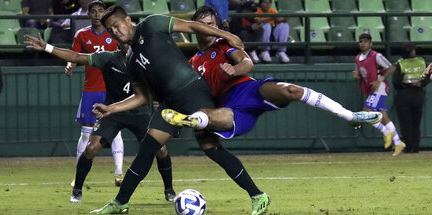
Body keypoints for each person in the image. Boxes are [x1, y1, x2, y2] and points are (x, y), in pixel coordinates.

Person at [89, 5, 270, 215]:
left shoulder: (151, 24)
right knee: (147, 149)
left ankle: (258, 196)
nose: (115, 32)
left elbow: (192, 27)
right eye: (110, 30)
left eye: (116, 25)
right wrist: (111, 108)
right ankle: (120, 204)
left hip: (193, 91)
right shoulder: (130, 60)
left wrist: (227, 35)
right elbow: (141, 96)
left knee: (211, 147)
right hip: (170, 103)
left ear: (128, 20)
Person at [161, 6, 382, 142]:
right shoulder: (192, 62)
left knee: (292, 90)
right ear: (195, 28)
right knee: (214, 116)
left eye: (211, 24)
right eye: (203, 25)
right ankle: (191, 120)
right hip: (229, 106)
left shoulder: (223, 45)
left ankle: (350, 116)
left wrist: (234, 70)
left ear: (216, 26)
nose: (208, 29)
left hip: (248, 89)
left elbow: (247, 63)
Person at [24, 35, 176, 202]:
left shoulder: (146, 61)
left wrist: (159, 99)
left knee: (161, 150)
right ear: (117, 43)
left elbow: (161, 82)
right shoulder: (107, 58)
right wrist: (47, 47)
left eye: (129, 40)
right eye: (122, 40)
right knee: (91, 148)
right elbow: (75, 56)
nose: (126, 43)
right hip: (112, 113)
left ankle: (169, 190)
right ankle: (77, 190)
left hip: (140, 113)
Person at [65, 0, 125, 187]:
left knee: (116, 132)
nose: (97, 14)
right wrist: (69, 65)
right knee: (86, 135)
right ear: (88, 14)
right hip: (91, 89)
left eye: (101, 11)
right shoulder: (81, 35)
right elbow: (74, 56)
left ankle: (118, 174)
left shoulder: (112, 33)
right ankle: (78, 175)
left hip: (111, 89)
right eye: (94, 11)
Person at [351, 33, 405, 156]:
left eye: (365, 41)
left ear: (370, 43)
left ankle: (386, 133)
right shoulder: (358, 58)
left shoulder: (376, 56)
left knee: (366, 111)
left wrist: (379, 80)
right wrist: (357, 76)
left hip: (379, 88)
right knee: (383, 116)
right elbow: (361, 74)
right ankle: (398, 143)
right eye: (361, 41)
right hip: (371, 89)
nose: (362, 43)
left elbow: (391, 68)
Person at [392, 43, 430, 153]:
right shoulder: (422, 62)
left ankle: (409, 147)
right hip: (418, 94)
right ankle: (416, 147)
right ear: (412, 51)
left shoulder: (400, 64)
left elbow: (396, 83)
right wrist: (422, 83)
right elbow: (429, 76)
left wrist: (405, 85)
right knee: (416, 122)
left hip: (404, 94)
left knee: (405, 122)